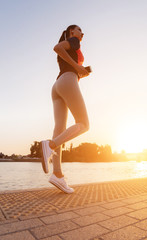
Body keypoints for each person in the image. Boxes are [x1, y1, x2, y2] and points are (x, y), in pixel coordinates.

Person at [41, 25, 90, 194]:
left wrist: (80, 71)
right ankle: (50, 145)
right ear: (71, 32)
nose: (82, 33)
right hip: (68, 80)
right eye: (79, 30)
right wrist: (77, 69)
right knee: (84, 124)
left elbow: (63, 56)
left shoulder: (71, 44)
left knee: (59, 129)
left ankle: (57, 174)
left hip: (57, 85)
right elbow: (57, 48)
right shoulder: (73, 41)